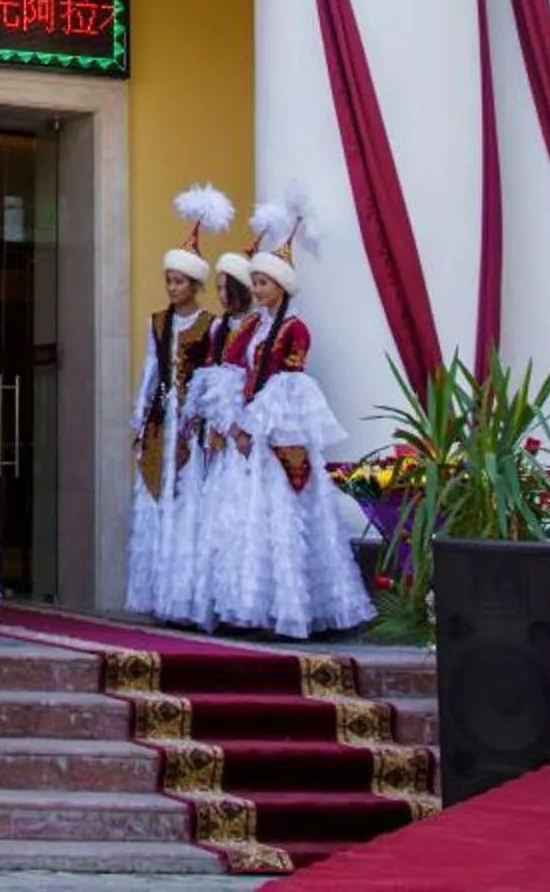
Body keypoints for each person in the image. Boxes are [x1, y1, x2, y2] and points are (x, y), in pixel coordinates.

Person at [212, 195, 372, 638]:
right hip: (253, 438)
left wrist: (251, 425)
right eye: (256, 281)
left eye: (263, 282)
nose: (258, 289)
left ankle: (289, 610)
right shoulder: (256, 328)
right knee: (250, 522)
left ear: (282, 286)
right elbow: (238, 373)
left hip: (278, 437)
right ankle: (249, 607)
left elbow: (287, 385)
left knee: (283, 521)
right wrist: (235, 421)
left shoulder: (294, 329)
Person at [125, 184, 231, 618]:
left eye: (179, 281)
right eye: (168, 280)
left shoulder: (210, 324)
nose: (172, 287)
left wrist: (202, 417)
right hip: (159, 423)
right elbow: (151, 370)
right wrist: (139, 417)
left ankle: (184, 595)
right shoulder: (157, 322)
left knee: (188, 502)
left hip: (190, 427)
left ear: (196, 284)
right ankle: (156, 594)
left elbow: (211, 377)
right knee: (155, 496)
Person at [156, 248, 258, 628]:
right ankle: (207, 601)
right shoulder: (221, 328)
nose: (221, 295)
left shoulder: (255, 327)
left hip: (239, 431)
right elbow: (209, 373)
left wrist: (232, 422)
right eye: (218, 287)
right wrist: (197, 415)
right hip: (211, 432)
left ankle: (239, 605)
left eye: (226, 287)